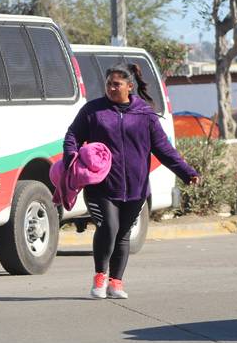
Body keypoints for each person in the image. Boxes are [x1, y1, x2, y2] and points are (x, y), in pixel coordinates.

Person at [64, 64, 200, 299]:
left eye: (116, 84)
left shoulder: (144, 114)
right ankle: (100, 276)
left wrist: (187, 172)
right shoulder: (93, 111)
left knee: (124, 233)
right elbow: (72, 136)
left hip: (136, 188)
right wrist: (71, 159)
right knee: (109, 226)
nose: (111, 88)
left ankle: (116, 283)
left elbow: (164, 149)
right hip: (101, 185)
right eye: (108, 84)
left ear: (129, 86)